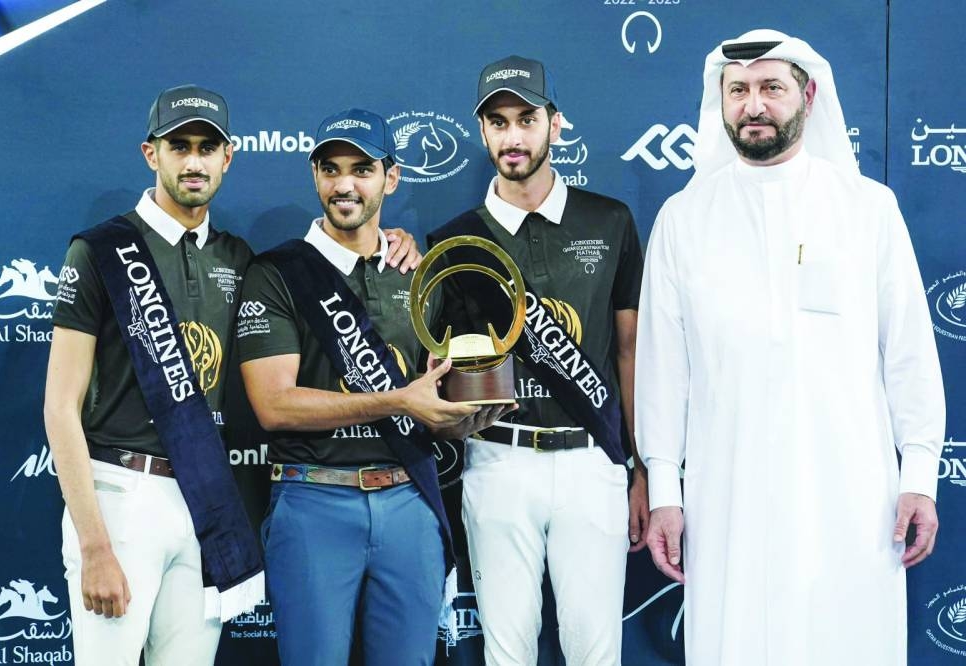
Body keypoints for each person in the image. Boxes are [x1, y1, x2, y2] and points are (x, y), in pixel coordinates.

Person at [42, 87, 419, 666]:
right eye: (179, 146)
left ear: (228, 157)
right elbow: (59, 407)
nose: (193, 162)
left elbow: (325, 264)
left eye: (206, 147)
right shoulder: (99, 251)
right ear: (152, 154)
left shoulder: (241, 259)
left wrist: (395, 242)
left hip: (207, 502)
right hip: (119, 494)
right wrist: (94, 543)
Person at [636, 29, 945, 666]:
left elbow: (909, 353)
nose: (754, 105)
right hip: (728, 497)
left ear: (806, 93)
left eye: (771, 88)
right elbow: (665, 372)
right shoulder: (683, 219)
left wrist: (920, 476)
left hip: (853, 495)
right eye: (739, 90)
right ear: (718, 100)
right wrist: (665, 489)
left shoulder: (868, 210)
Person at [236, 108, 510, 666]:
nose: (345, 184)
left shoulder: (418, 271)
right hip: (313, 499)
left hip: (409, 500)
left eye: (362, 169)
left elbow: (440, 391)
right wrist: (400, 400)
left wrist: (464, 418)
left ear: (391, 177)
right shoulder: (277, 272)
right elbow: (273, 404)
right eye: (331, 169)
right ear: (314, 176)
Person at [427, 55, 648, 665]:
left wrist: (641, 465)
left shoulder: (610, 221)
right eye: (498, 123)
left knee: (595, 652)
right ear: (482, 133)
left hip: (592, 461)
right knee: (506, 653)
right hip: (497, 457)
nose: (513, 136)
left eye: (527, 119)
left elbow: (629, 352)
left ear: (555, 123)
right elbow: (436, 364)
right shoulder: (452, 238)